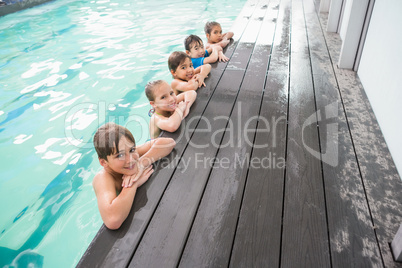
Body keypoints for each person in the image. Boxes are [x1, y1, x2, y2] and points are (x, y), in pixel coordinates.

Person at [92, 122, 175, 229]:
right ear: (104, 163)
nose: (131, 159)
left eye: (132, 149)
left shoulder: (130, 154)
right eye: (120, 155)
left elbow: (169, 143)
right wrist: (133, 183)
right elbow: (113, 220)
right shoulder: (102, 178)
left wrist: (141, 163)